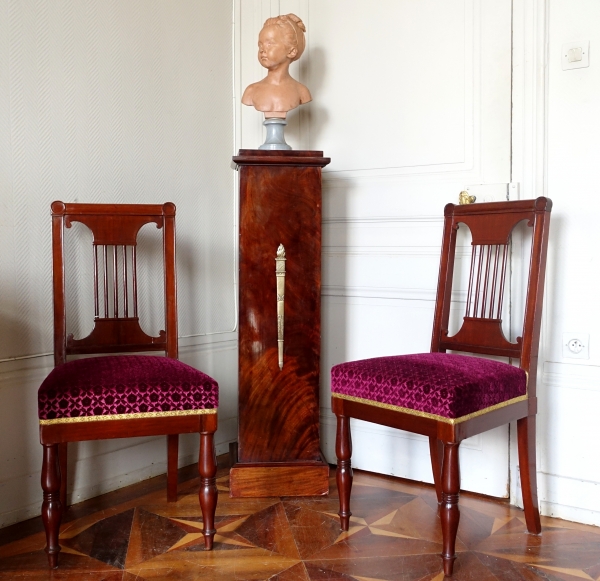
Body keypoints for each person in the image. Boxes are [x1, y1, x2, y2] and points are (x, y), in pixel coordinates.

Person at [242, 14, 312, 118]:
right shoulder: (251, 91)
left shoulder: (301, 91)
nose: (262, 50)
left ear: (292, 51)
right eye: (260, 45)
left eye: (270, 44)